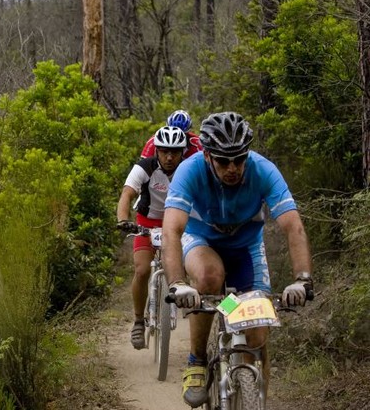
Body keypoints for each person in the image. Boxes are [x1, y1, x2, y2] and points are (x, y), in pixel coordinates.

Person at [161, 112, 314, 407]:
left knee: (256, 337)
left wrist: (302, 279)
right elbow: (171, 230)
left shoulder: (263, 170)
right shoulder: (189, 171)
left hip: (246, 248)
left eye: (239, 159)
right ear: (207, 156)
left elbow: (293, 226)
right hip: (201, 240)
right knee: (209, 277)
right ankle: (197, 360)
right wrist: (179, 284)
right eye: (223, 161)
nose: (233, 168)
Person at [116, 126, 188, 349]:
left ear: (182, 152)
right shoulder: (145, 167)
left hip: (176, 221)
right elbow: (127, 193)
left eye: (174, 152)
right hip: (147, 220)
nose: (169, 157)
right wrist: (122, 220)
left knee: (192, 263)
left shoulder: (188, 170)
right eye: (164, 151)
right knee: (142, 269)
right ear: (156, 150)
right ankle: (139, 321)